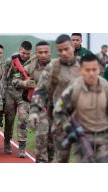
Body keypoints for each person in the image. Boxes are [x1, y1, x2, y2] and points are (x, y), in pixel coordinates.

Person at [28, 34, 80, 163]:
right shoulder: (53, 67)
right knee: (52, 148)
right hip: (56, 114)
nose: (64, 53)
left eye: (66, 49)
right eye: (60, 50)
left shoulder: (84, 66)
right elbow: (40, 91)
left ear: (73, 47)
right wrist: (34, 111)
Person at [53, 53, 108, 163]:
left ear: (99, 69)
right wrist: (68, 127)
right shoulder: (74, 89)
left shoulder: (105, 86)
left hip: (104, 139)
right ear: (80, 71)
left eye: (94, 69)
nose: (91, 74)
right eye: (87, 70)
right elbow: (58, 111)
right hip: (82, 137)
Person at [1, 41, 34, 158]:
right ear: (20, 50)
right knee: (9, 121)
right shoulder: (11, 60)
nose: (25, 55)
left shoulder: (33, 62)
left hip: (23, 96)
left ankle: (21, 148)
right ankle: (7, 143)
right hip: (10, 94)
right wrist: (3, 95)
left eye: (27, 53)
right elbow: (4, 78)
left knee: (23, 121)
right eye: (23, 53)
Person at [24, 40, 54, 162]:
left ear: (50, 52)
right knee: (41, 138)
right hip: (38, 107)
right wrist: (24, 83)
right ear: (36, 53)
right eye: (40, 52)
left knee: (52, 143)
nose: (43, 55)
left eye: (46, 52)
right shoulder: (29, 67)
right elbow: (15, 81)